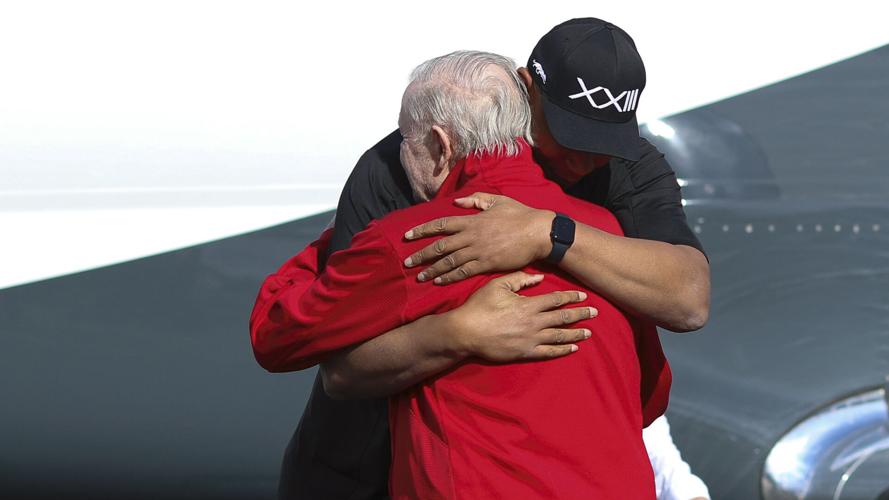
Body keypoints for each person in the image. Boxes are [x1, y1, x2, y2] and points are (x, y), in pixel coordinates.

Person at [264, 18, 710, 500]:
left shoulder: (626, 168)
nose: (586, 161)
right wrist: (460, 332)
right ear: (526, 89)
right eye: (570, 134)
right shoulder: (401, 167)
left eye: (604, 142)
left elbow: (688, 301)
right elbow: (341, 370)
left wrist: (549, 233)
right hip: (363, 464)